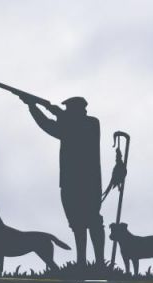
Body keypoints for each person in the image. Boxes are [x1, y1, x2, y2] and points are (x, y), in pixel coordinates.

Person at [27, 96, 106, 267]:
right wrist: (33, 107)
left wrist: (52, 111)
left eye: (69, 109)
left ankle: (100, 262)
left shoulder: (91, 123)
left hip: (88, 181)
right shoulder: (69, 123)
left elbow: (61, 128)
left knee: (93, 221)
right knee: (77, 223)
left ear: (77, 110)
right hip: (70, 182)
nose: (67, 112)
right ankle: (81, 262)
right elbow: (49, 126)